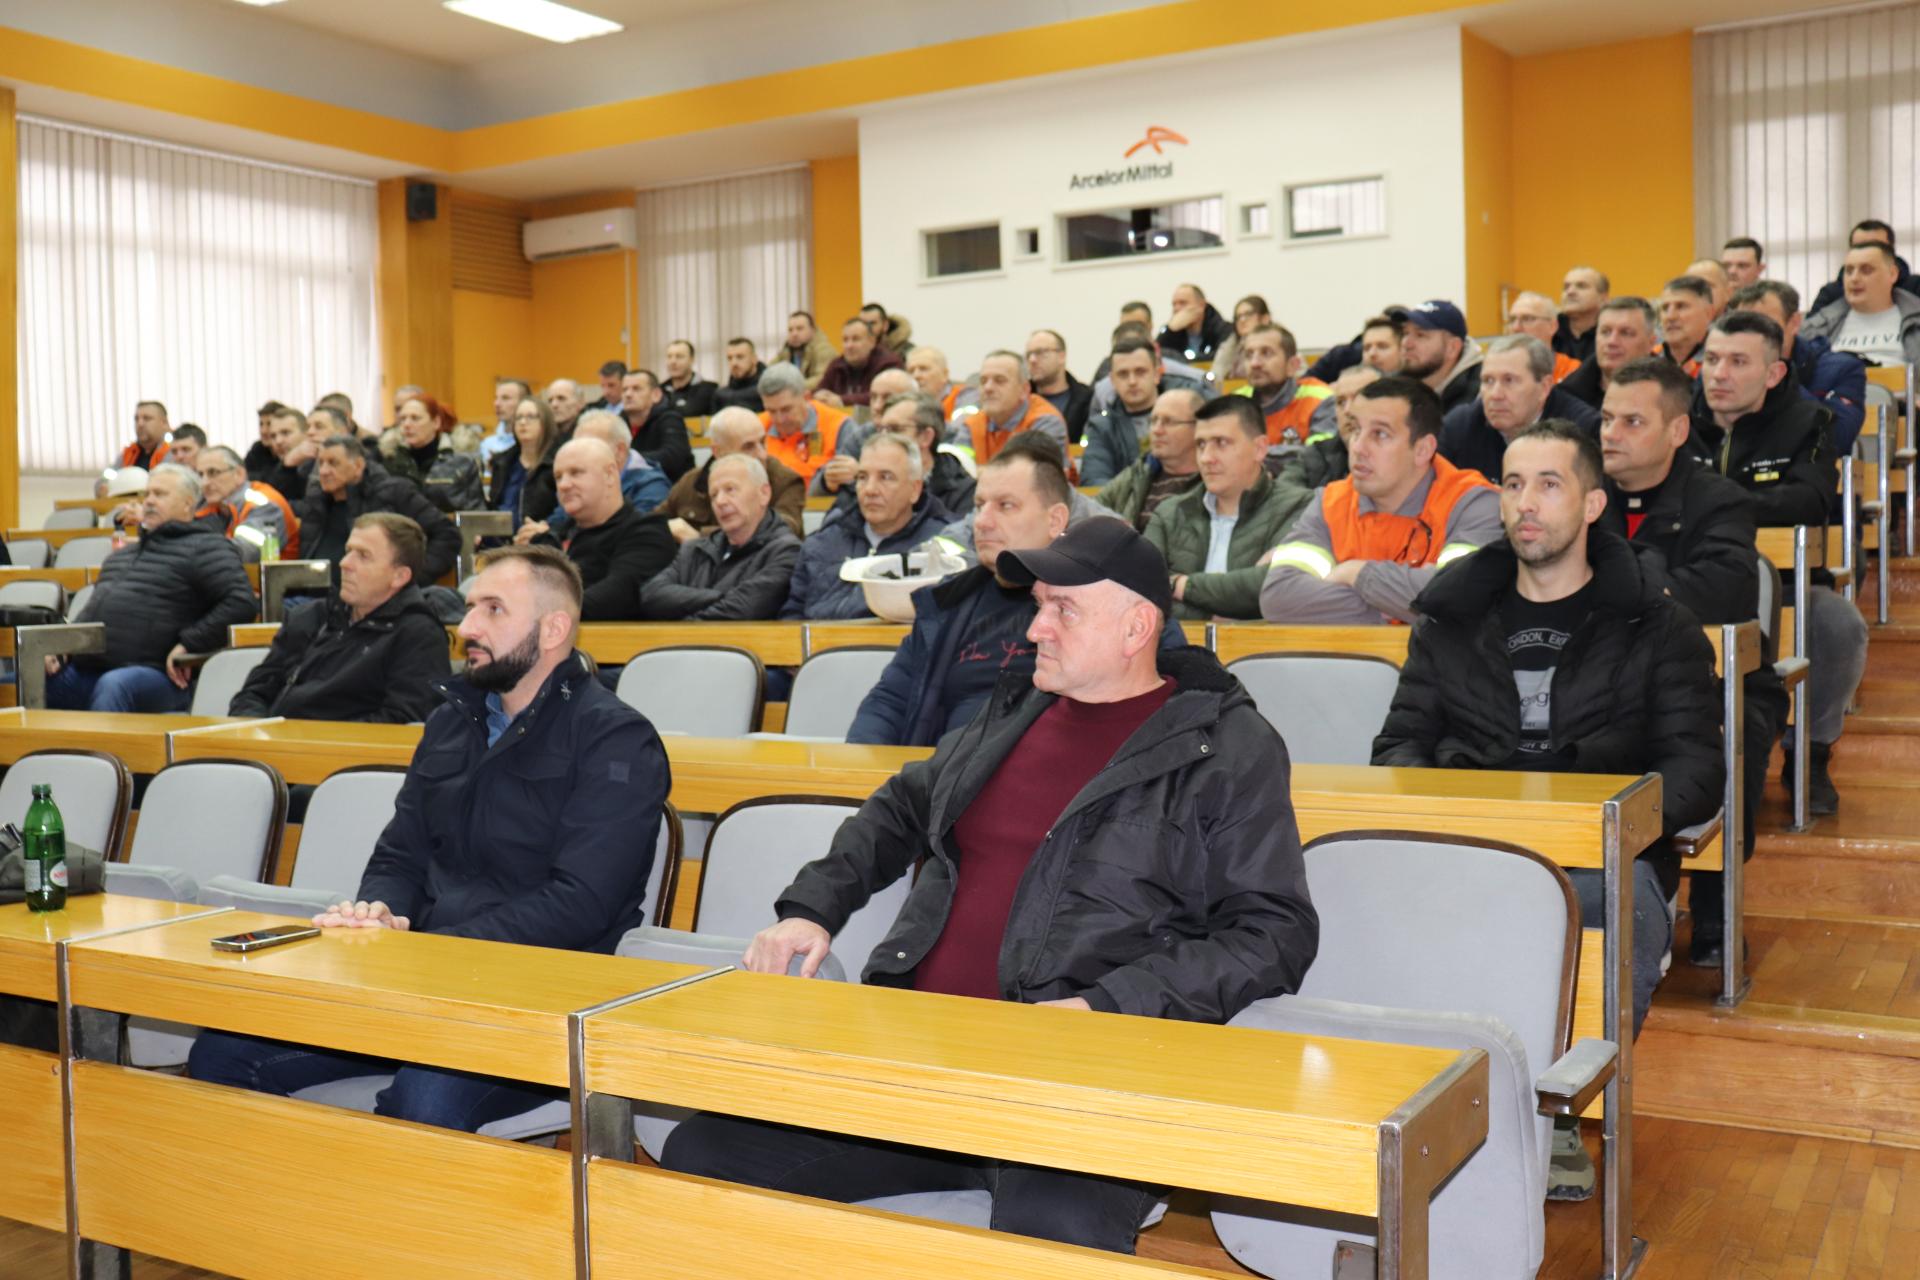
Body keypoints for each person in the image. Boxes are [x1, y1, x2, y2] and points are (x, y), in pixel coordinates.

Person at [662, 518, 1316, 1257]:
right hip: (923, 1059)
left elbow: (1273, 931)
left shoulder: (1226, 748)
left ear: (1137, 628)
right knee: (703, 1154)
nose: (1035, 628)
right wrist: (812, 909)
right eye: (1038, 605)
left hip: (1080, 1085)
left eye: (1063, 609)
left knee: (1055, 1236)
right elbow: (897, 810)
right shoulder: (1012, 714)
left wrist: (1108, 1006)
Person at [188, 545, 670, 1132]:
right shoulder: (451, 720)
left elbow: (583, 902)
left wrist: (432, 954)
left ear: (553, 630)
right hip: (422, 979)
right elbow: (401, 853)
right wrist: (380, 911)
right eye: (470, 608)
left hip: (542, 997)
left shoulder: (615, 738)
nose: (466, 628)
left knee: (425, 1102)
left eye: (493, 610)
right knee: (222, 1054)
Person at [1373, 420, 1722, 1203]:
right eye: (1512, 484)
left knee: (1609, 907)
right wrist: (1463, 817)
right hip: (1471, 842)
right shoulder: (1451, 616)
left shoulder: (1654, 622)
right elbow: (1398, 747)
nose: (1524, 503)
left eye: (1549, 484)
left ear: (1594, 504)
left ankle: (1555, 1110)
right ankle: (1424, 1100)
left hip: (1596, 854)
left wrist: (1601, 825)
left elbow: (1697, 771)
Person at [1596, 357, 1782, 967]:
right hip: (1602, 682)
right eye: (1606, 419)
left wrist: (1626, 581)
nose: (1610, 434)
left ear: (1677, 430)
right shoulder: (1580, 490)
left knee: (1734, 734)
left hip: (1712, 680)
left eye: (1631, 421)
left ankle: (1715, 905)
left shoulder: (1717, 499)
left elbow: (1725, 588)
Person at [1693, 311, 1866, 815]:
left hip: (1784, 586)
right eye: (1712, 359)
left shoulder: (1809, 422)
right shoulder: (1677, 420)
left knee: (1836, 623)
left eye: (1737, 361)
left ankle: (1809, 754)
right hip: (1692, 581)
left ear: (1773, 373)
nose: (1719, 374)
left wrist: (1712, 503)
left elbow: (1807, 502)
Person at [845, 443, 1073, 746]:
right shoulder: (948, 603)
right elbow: (890, 701)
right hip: (935, 769)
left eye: (1006, 506)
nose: (982, 521)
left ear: (1055, 520)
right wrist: (862, 764)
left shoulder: (1083, 611)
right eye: (979, 505)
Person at [1262, 377, 1501, 625]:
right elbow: (1278, 597)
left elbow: (1459, 598)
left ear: (1423, 450)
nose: (1358, 447)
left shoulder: (1473, 503)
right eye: (1355, 429)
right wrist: (1396, 607)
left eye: (1380, 434)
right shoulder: (1329, 503)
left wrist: (1357, 573)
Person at [47, 464, 257, 713]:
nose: (149, 501)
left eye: (160, 494)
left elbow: (241, 602)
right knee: (28, 677)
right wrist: (63, 647)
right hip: (90, 669)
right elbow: (92, 612)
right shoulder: (121, 556)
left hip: (156, 676)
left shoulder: (207, 546)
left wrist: (190, 644)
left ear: (188, 504)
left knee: (114, 685)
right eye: (147, 494)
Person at [229, 513, 450, 722]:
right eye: (348, 551)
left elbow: (404, 722)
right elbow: (254, 692)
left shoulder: (418, 635)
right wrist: (255, 731)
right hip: (274, 741)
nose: (345, 563)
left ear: (399, 576)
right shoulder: (310, 617)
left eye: (363, 556)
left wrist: (308, 739)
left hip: (341, 749)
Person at [1145, 396, 1303, 621]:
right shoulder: (1169, 514)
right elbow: (1142, 592)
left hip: (1264, 645)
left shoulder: (1297, 507)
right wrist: (1222, 612)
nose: (1206, 458)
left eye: (1221, 443)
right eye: (1201, 444)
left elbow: (1277, 587)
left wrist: (1180, 585)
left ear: (1259, 448)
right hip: (1180, 643)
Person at [781, 435, 953, 620]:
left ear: (915, 489)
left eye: (885, 477)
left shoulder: (940, 546)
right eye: (862, 477)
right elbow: (791, 617)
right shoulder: (822, 543)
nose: (870, 490)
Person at [640, 454, 803, 620]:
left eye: (730, 489)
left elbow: (743, 610)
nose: (720, 501)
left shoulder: (786, 552)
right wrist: (724, 596)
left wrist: (680, 621)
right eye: (713, 495)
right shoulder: (694, 550)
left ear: (764, 493)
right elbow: (650, 596)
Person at [532, 439, 678, 621]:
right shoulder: (548, 538)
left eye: (576, 473)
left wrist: (533, 616)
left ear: (609, 475)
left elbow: (614, 598)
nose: (563, 485)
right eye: (558, 477)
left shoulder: (648, 533)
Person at [297, 435, 459, 583]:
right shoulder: (315, 501)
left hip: (374, 597)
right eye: (321, 463)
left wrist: (410, 579)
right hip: (313, 593)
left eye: (333, 463)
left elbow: (447, 535)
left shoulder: (394, 492)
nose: (323, 471)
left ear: (358, 465)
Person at [1732, 280, 1867, 457]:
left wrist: (1780, 377)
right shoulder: (1722, 371)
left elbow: (1837, 440)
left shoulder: (1842, 369)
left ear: (1794, 323)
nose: (1753, 336)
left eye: (1763, 325)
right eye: (1743, 327)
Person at [1439, 335, 1600, 481]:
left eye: (1509, 380)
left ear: (1544, 387)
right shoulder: (1460, 427)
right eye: (1488, 381)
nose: (1495, 394)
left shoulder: (1583, 431)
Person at [521, 411, 675, 545]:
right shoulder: (574, 482)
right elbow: (559, 519)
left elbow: (635, 536)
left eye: (589, 445)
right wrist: (540, 533)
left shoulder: (652, 486)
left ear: (620, 451)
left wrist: (548, 535)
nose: (576, 453)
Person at [655, 406, 804, 543]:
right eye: (748, 447)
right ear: (718, 451)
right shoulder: (691, 483)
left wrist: (700, 538)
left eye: (762, 442)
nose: (762, 454)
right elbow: (653, 523)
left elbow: (781, 531)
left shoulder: (785, 481)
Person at [823, 393, 975, 524]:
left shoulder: (963, 492)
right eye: (880, 430)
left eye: (894, 430)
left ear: (926, 437)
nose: (884, 438)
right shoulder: (864, 484)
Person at [1272, 364, 1378, 513]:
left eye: (1359, 399)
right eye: (1341, 402)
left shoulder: (1401, 456)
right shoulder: (1315, 454)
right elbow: (1281, 499)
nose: (1348, 410)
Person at [1094, 389, 1204, 530]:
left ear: (1198, 427)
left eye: (1168, 422)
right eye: (1153, 421)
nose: (1157, 430)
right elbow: (1094, 510)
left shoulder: (1211, 482)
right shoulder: (1138, 472)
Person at [1800, 240, 1920, 369]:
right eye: (1849, 271)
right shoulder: (1815, 328)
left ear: (1892, 274)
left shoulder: (1915, 320)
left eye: (1866, 270)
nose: (1854, 278)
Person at [1081, 336, 1175, 486]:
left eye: (1140, 372)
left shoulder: (1183, 416)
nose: (1132, 381)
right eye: (1123, 374)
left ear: (1157, 374)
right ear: (1112, 381)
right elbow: (1094, 481)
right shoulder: (1101, 427)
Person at [955, 351, 1067, 464]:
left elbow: (1034, 473)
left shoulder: (1046, 422)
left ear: (1024, 390)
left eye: (999, 380)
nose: (988, 388)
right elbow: (957, 471)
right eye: (983, 381)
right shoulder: (971, 425)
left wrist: (977, 472)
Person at [757, 362, 856, 486]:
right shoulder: (756, 429)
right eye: (771, 411)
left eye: (786, 409)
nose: (779, 419)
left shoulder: (840, 427)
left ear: (807, 397)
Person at [1237, 323, 1334, 450]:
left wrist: (1252, 455)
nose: (1254, 363)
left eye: (1266, 353)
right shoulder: (1236, 403)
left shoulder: (1320, 398)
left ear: (1292, 365)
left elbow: (1319, 455)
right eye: (1249, 355)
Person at [193, 445, 300, 560]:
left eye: (213, 473)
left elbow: (246, 551)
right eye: (200, 475)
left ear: (239, 474)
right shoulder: (204, 506)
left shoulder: (264, 503)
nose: (204, 483)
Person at [383, 393, 483, 514]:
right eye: (403, 419)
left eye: (415, 418)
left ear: (436, 422)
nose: (406, 425)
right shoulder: (390, 459)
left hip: (449, 524)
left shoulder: (462, 462)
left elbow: (476, 511)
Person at [1556, 297, 1663, 410]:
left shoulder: (1672, 393)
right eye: (1605, 332)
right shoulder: (1564, 398)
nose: (1612, 342)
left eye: (1625, 333)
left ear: (1651, 342)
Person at [1809, 219, 1920, 315]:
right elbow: (1812, 329)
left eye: (1876, 246)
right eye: (1859, 247)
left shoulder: (1915, 288)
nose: (1866, 252)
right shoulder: (1831, 293)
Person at [488, 394, 561, 529]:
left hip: (542, 536)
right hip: (501, 537)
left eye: (530, 417)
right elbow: (494, 507)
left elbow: (564, 511)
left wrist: (545, 527)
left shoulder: (558, 462)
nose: (523, 422)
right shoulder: (502, 463)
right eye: (518, 417)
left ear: (545, 422)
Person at [1399, 300, 1483, 415]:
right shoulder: (1396, 386)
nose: (1406, 344)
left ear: (1452, 348)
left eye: (1420, 335)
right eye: (1405, 333)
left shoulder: (1481, 395)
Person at [619, 369, 694, 480]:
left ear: (656, 395)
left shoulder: (671, 418)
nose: (628, 394)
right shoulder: (618, 423)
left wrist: (628, 459)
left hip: (670, 485)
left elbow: (673, 457)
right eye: (624, 390)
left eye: (636, 389)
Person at [815, 316, 904, 409]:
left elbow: (885, 396)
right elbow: (820, 390)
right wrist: (820, 395)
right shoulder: (837, 365)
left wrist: (842, 400)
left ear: (872, 341)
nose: (849, 345)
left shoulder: (889, 363)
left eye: (856, 339)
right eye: (845, 340)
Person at [1025, 329, 1093, 444]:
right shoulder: (1019, 399)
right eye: (1028, 355)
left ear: (1062, 356)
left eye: (1040, 352)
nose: (1032, 360)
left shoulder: (1088, 399)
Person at [1505, 293, 1582, 382]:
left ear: (1552, 326)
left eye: (1527, 319)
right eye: (1512, 320)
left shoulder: (1572, 370)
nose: (1516, 327)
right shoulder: (1497, 369)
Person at [1157, 282, 1234, 363]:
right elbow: (1156, 355)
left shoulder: (1224, 329)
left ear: (1201, 305)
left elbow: (1222, 358)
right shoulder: (1172, 332)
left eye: (1182, 303)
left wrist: (1184, 360)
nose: (1176, 309)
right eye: (1174, 304)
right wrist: (1170, 330)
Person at [1658, 275, 1717, 376]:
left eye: (1681, 306)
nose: (1670, 316)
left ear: (1708, 313)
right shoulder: (1646, 359)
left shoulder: (1723, 363)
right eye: (1665, 308)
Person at [1208, 294, 1273, 383]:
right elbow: (1216, 375)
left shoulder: (1275, 344)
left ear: (1265, 319)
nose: (1242, 320)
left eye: (1248, 314)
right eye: (1238, 317)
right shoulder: (1230, 344)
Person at [1555, 266, 1610, 363]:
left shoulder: (1613, 333)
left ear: (1603, 298)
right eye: (1566, 287)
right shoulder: (1550, 328)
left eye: (1581, 286)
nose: (1570, 292)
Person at [906, 346, 971, 422]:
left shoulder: (965, 395)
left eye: (923, 369)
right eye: (911, 371)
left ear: (944, 374)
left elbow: (962, 426)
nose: (916, 376)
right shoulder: (905, 403)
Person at [781, 310, 838, 391]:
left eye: (800, 329)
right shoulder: (787, 350)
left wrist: (789, 387)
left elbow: (822, 379)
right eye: (790, 330)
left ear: (813, 330)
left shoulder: (824, 350)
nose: (794, 334)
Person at [661, 340, 719, 418]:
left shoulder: (710, 390)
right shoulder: (659, 392)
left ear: (692, 360)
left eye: (679, 356)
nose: (673, 361)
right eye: (669, 357)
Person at [479, 379, 530, 461]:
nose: (496, 404)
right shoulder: (487, 445)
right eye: (496, 398)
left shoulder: (535, 444)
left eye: (505, 398)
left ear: (525, 402)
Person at [714, 338, 766, 414]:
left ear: (754, 359)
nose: (734, 363)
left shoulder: (768, 391)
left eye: (740, 357)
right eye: (729, 358)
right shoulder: (720, 395)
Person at [117, 400, 172, 471]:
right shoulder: (130, 451)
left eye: (147, 418)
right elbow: (110, 475)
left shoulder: (177, 451)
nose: (140, 424)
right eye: (136, 419)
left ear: (165, 423)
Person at [245, 400, 287, 481]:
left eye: (269, 424)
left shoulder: (290, 450)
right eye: (261, 424)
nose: (263, 431)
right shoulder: (257, 449)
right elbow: (242, 477)